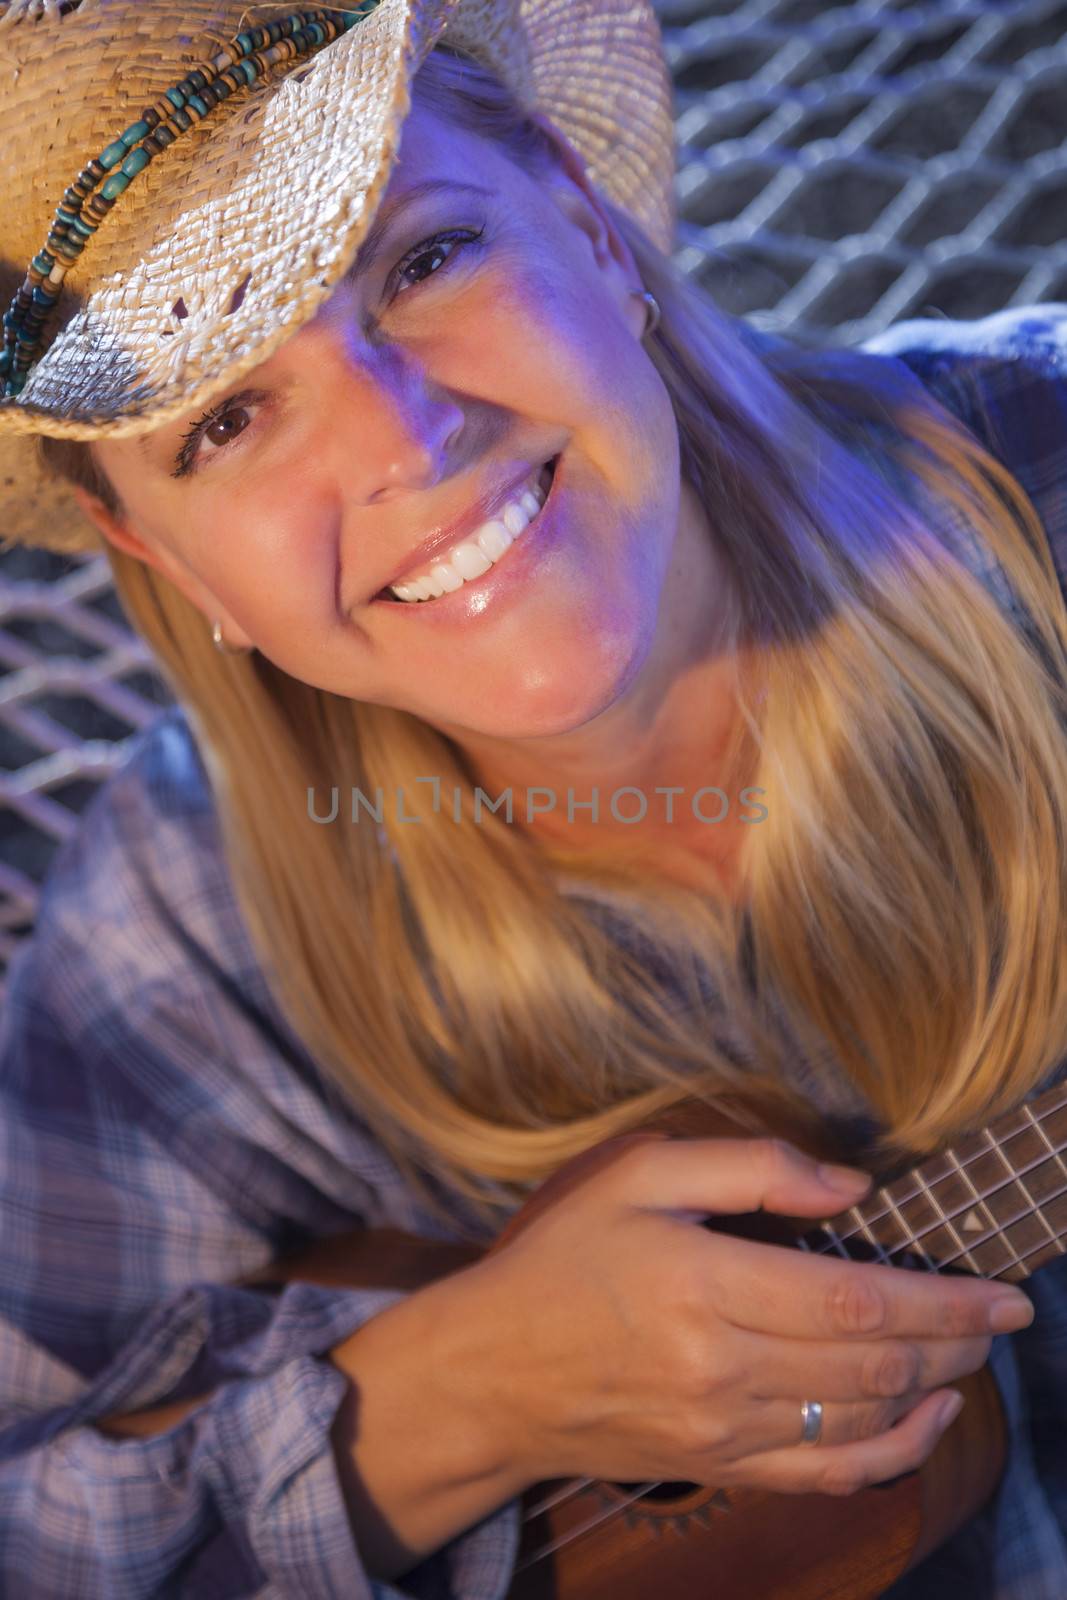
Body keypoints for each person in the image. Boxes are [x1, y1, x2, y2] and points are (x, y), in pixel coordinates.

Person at [0, 1, 1065, 1596]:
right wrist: (468, 1399)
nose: (405, 441)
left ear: (585, 217)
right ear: (163, 558)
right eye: (226, 418)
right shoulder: (184, 945)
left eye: (421, 260)